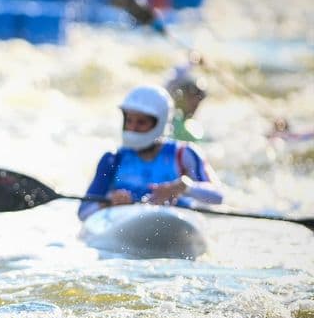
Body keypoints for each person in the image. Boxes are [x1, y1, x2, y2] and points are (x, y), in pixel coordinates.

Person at [78, 85, 223, 221]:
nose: (132, 128)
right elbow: (83, 213)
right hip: (125, 228)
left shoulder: (185, 154)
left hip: (175, 226)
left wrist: (185, 186)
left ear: (159, 123)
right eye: (129, 121)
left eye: (141, 122)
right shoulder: (112, 159)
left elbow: (218, 196)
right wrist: (108, 203)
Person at [165, 64, 208, 142]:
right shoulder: (166, 125)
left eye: (200, 96)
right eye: (191, 94)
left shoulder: (195, 129)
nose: (196, 101)